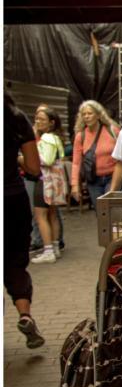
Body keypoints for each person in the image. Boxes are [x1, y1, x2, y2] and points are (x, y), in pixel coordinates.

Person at [5, 92, 46, 348]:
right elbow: (33, 167)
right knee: (15, 262)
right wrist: (15, 159)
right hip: (12, 198)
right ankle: (25, 314)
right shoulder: (16, 117)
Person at [31, 107, 68, 264]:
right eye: (36, 118)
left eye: (42, 119)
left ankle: (48, 251)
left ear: (51, 123)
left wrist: (29, 156)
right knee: (52, 214)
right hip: (55, 182)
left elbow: (46, 160)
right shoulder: (56, 138)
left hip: (45, 181)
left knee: (41, 216)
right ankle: (54, 247)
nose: (38, 122)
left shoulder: (46, 138)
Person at [70, 100, 120, 210]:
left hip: (112, 176)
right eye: (84, 114)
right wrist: (75, 185)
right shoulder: (80, 136)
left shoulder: (112, 131)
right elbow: (76, 163)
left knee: (112, 210)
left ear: (98, 115)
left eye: (90, 113)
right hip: (93, 180)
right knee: (101, 213)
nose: (86, 116)